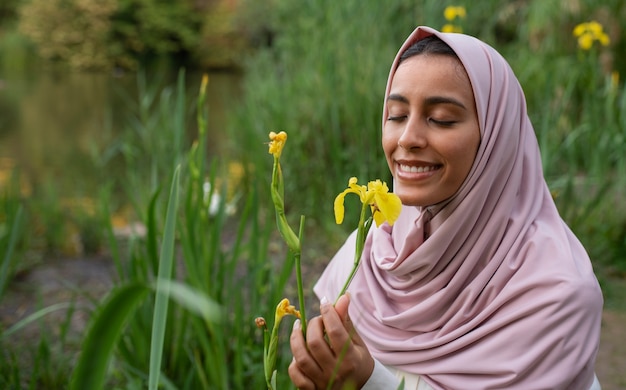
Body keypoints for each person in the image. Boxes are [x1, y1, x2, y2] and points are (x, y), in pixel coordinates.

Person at [288, 26, 603, 390]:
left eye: (440, 119)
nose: (407, 139)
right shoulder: (379, 244)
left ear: (496, 138)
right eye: (396, 115)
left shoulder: (556, 296)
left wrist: (367, 383)